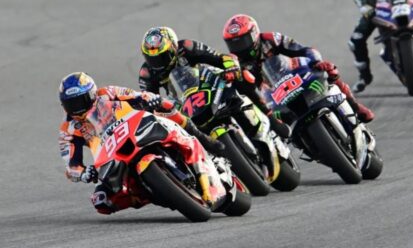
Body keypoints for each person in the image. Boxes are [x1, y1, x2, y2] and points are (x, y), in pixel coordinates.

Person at [58, 72, 225, 214]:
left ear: (92, 94)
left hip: (136, 128)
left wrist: (150, 100)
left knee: (166, 110)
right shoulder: (68, 129)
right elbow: (71, 166)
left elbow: (136, 95)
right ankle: (154, 194)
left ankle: (202, 139)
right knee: (101, 201)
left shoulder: (107, 93)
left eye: (80, 101)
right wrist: (83, 173)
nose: (77, 108)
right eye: (71, 104)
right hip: (112, 155)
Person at [139, 26, 290, 139]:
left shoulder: (187, 47)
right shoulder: (146, 74)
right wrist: (158, 111)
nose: (158, 63)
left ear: (173, 47)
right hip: (183, 102)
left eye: (162, 56)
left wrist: (231, 68)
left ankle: (272, 119)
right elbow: (149, 103)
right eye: (152, 59)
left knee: (243, 76)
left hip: (206, 81)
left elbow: (219, 58)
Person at [222, 14, 374, 123]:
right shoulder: (235, 64)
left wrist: (316, 61)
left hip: (292, 74)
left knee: (328, 70)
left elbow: (302, 49)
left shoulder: (270, 39)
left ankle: (355, 106)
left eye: (242, 42)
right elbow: (245, 92)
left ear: (254, 34)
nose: (239, 48)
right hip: (271, 96)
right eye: (234, 44)